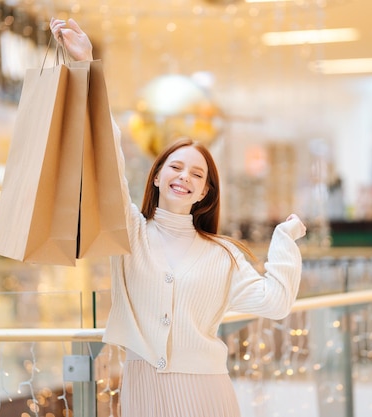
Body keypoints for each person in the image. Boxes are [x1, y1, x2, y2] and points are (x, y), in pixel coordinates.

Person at [50, 17, 307, 417]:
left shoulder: (221, 254)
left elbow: (275, 303)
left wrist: (284, 239)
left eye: (197, 173)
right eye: (174, 167)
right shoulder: (131, 232)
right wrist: (84, 66)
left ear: (205, 193)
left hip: (207, 394)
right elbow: (107, 151)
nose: (184, 176)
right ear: (156, 178)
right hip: (143, 390)